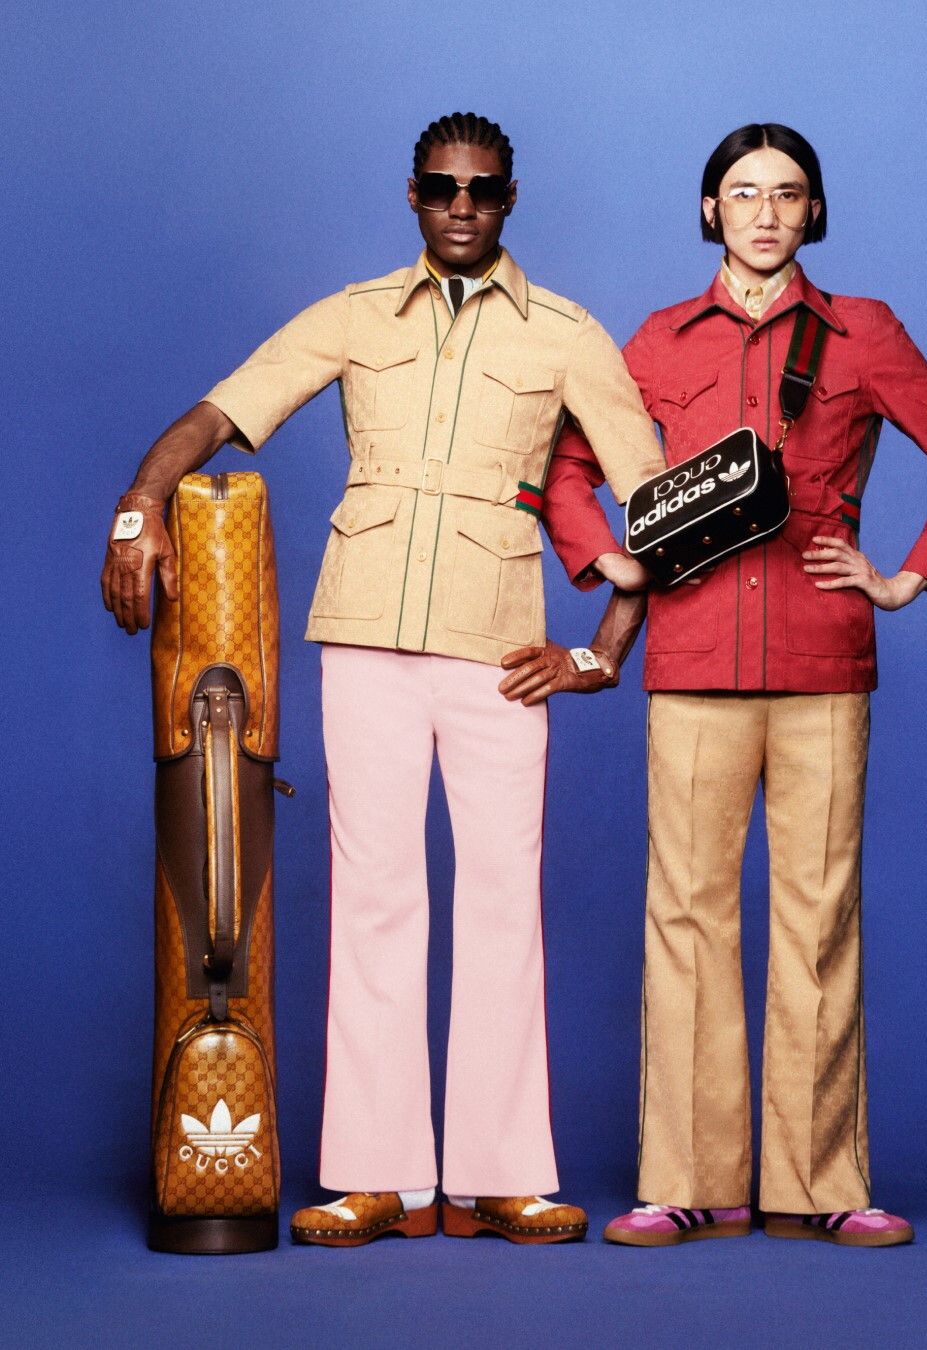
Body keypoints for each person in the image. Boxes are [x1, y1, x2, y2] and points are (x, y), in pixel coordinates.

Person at [101, 111, 664, 1246]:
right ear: (413, 193)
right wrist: (138, 506)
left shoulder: (567, 333)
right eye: (442, 187)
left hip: (500, 652)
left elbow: (655, 502)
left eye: (483, 190)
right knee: (373, 899)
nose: (462, 207)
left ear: (510, 199)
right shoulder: (355, 315)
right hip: (362, 639)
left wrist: (603, 650)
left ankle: (502, 1176)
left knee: (502, 898)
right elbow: (222, 409)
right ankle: (379, 1177)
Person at [510, 122, 927, 1247]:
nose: (766, 213)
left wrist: (904, 579)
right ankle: (687, 1181)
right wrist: (606, 559)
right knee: (685, 918)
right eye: (743, 193)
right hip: (690, 661)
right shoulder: (657, 339)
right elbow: (565, 470)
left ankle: (820, 1184)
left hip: (823, 661)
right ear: (711, 211)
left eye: (788, 194)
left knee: (818, 920)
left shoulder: (864, 332)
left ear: (814, 211)